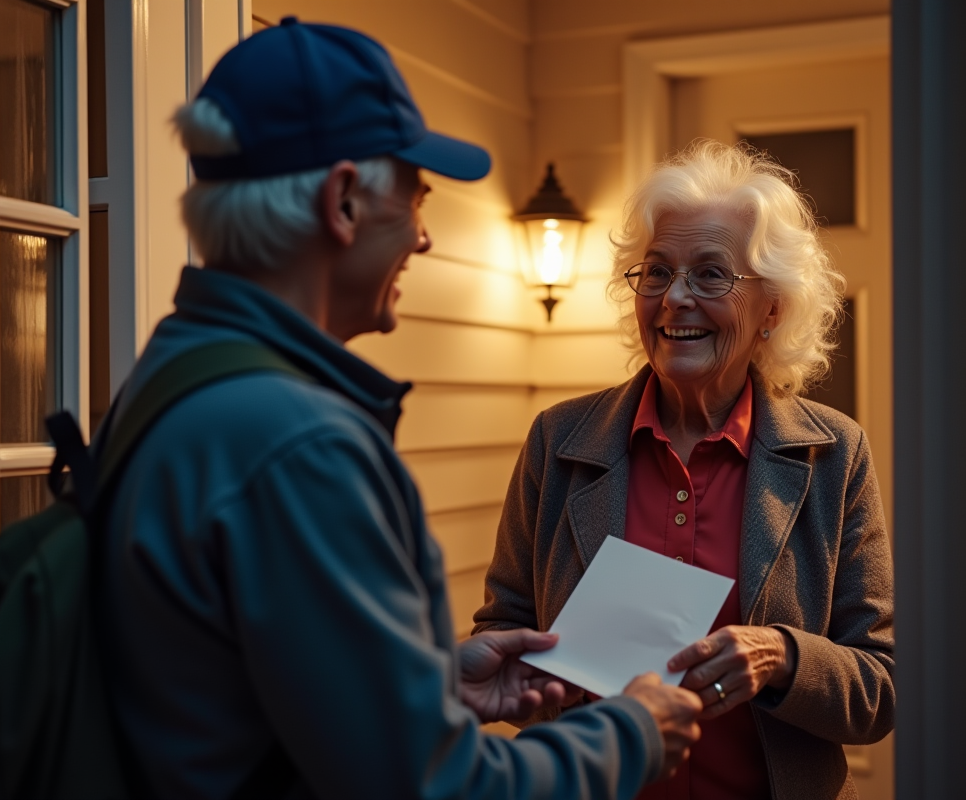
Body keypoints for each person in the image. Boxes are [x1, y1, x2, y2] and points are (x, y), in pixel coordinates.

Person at [95, 18, 703, 800]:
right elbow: (437, 788)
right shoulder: (302, 447)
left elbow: (229, 688)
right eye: (416, 199)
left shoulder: (174, 381)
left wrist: (431, 685)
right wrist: (632, 732)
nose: (421, 238)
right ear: (343, 201)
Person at [474, 140, 894, 800]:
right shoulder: (559, 441)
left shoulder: (834, 455)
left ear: (773, 309)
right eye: (657, 272)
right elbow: (502, 636)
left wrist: (782, 656)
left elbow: (881, 688)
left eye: (710, 275)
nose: (675, 298)